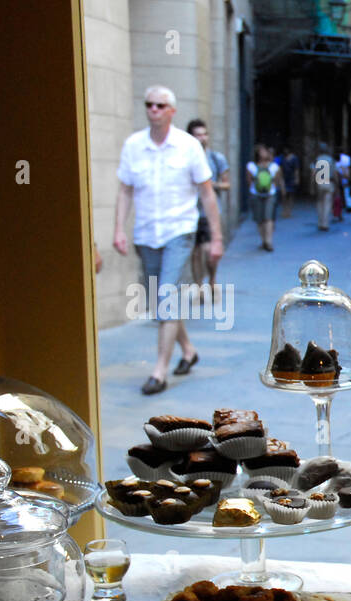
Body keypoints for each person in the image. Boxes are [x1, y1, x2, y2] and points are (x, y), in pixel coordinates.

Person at [114, 85, 222, 395]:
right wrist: (119, 229)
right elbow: (124, 191)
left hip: (179, 233)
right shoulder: (133, 145)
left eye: (161, 105)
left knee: (166, 298)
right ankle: (188, 350)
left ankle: (159, 370)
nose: (154, 110)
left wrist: (216, 238)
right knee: (159, 302)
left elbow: (207, 192)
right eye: (149, 104)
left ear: (172, 111)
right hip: (146, 235)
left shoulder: (188, 146)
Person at [186, 118, 229, 304]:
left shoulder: (216, 158)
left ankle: (212, 278)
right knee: (196, 252)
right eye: (198, 135)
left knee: (209, 252)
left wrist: (212, 185)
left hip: (209, 213)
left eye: (204, 134)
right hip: (189, 212)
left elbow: (227, 184)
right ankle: (198, 284)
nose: (202, 138)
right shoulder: (184, 158)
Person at [246, 144, 283, 251]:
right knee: (260, 219)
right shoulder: (253, 166)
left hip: (267, 194)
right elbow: (277, 180)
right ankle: (264, 240)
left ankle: (268, 241)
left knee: (268, 218)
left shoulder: (273, 166)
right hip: (260, 194)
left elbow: (249, 181)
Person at [313, 142, 335, 230]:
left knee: (319, 202)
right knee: (327, 203)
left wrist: (312, 183)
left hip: (320, 182)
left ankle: (320, 222)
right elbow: (334, 172)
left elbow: (314, 172)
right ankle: (325, 223)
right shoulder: (331, 159)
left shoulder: (317, 159)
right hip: (329, 182)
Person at [280, 145, 300, 218]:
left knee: (291, 195)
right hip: (284, 178)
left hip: (291, 178)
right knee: (284, 195)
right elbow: (280, 168)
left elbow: (296, 169)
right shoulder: (282, 158)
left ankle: (289, 211)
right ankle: (284, 210)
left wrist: (297, 178)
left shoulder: (294, 158)